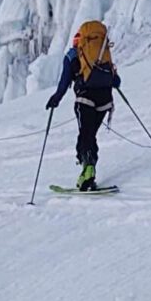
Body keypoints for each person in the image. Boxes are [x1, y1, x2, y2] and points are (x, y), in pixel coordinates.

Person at [45, 20, 121, 190]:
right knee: (89, 135)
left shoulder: (72, 55)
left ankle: (88, 172)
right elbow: (117, 81)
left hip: (85, 100)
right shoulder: (102, 54)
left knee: (85, 135)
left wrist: (56, 98)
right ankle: (89, 171)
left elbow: (64, 82)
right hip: (104, 102)